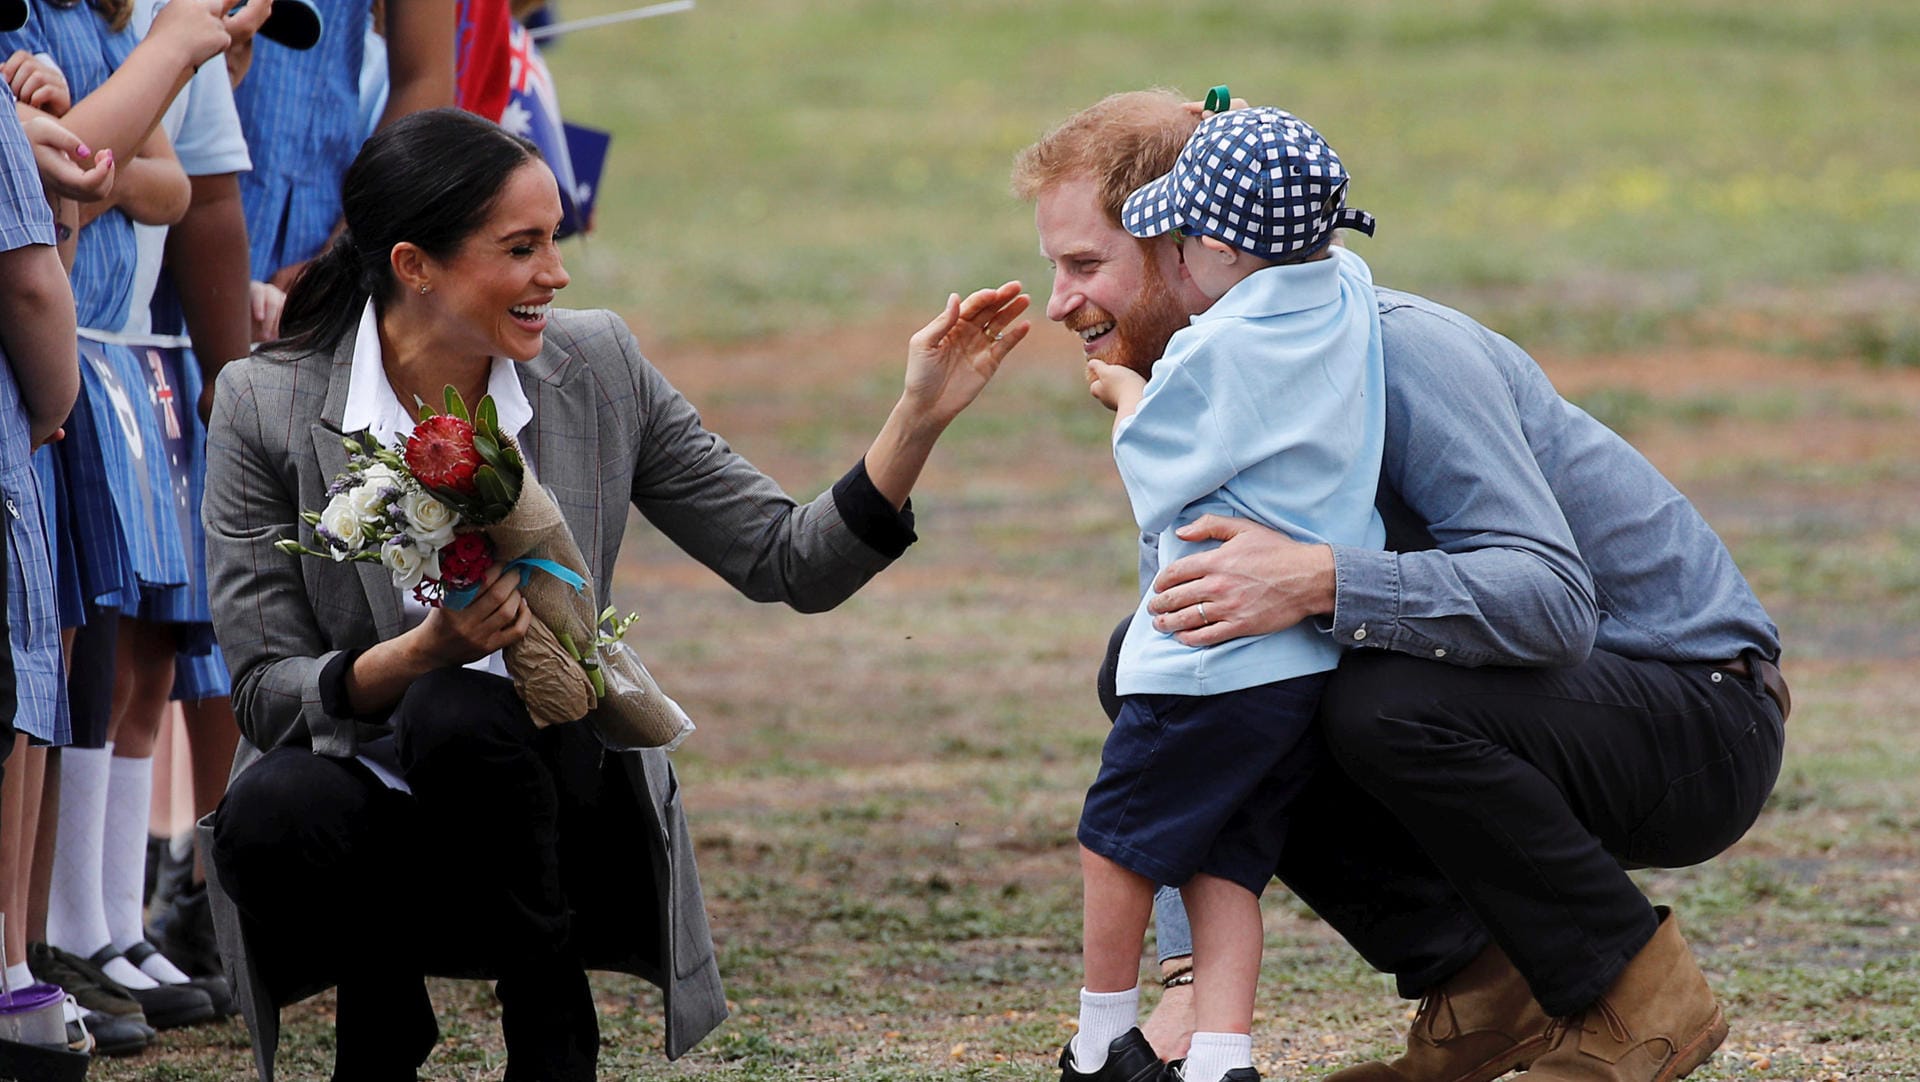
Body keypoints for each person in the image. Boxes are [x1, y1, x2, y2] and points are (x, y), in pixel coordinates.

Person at [202, 106, 1029, 1082]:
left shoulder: (596, 364)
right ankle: (382, 1020)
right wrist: (421, 650)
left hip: (554, 782)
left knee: (465, 713)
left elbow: (784, 559)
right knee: (272, 807)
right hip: (360, 782)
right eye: (522, 247)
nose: (556, 271)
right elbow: (263, 688)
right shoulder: (266, 401)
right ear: (414, 264)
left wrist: (917, 416)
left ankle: (550, 1024)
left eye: (555, 239)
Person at [1014, 89, 1786, 1082]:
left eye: (1085, 265)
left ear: (1186, 245)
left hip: (1694, 708)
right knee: (1173, 654)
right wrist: (1185, 987)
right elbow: (1180, 686)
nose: (1059, 303)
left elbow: (1553, 599)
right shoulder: (1207, 383)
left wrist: (1322, 576)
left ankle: (1644, 1000)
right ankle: (1484, 985)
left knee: (1378, 698)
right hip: (1541, 699)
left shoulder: (1396, 347)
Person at [1064, 106, 1386, 1082]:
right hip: (1302, 660)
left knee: (1112, 841)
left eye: (1180, 237)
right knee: (1227, 861)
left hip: (1208, 652)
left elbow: (1161, 475)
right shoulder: (1349, 290)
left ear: (1216, 247)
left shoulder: (1211, 352)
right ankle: (1222, 1053)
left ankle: (1100, 1039)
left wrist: (1125, 394)